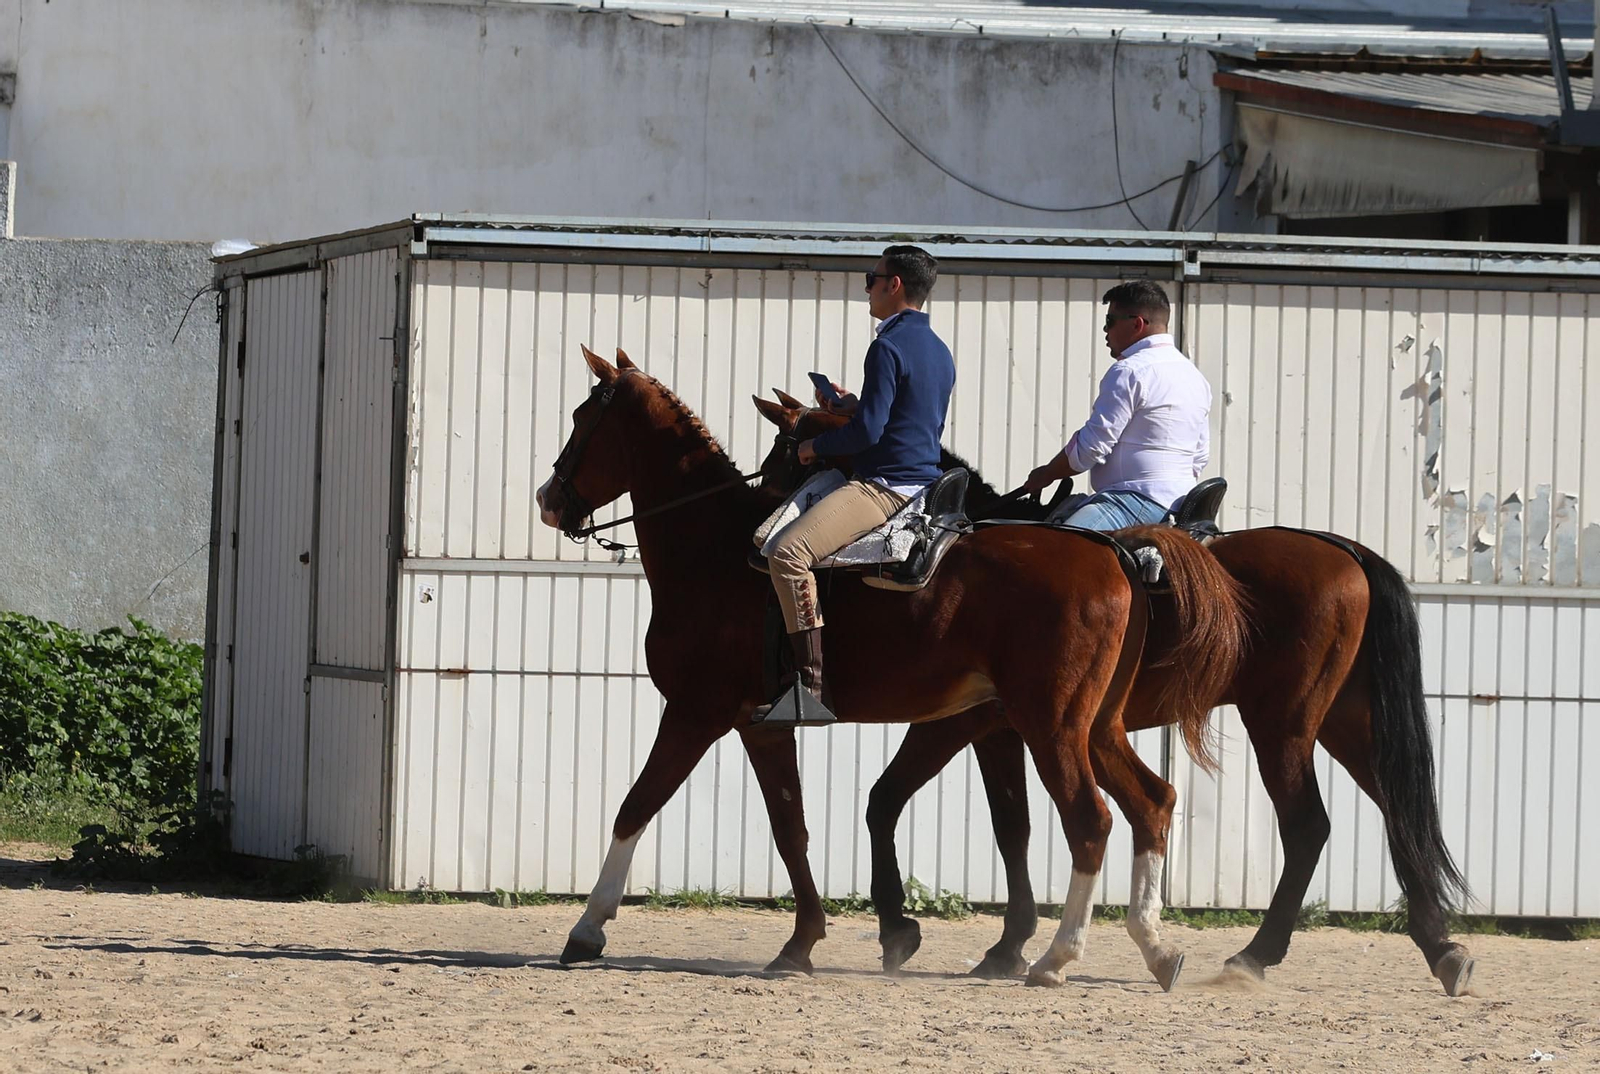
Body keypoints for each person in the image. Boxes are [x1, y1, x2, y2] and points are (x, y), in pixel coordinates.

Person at [757, 245, 956, 726]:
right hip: (925, 481)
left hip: (885, 487)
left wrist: (812, 449)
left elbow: (868, 434)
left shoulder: (886, 346)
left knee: (786, 552)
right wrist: (850, 403)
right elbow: (896, 415)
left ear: (895, 286)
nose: (867, 287)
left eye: (873, 278)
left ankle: (808, 687)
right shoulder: (938, 349)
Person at [1022, 280, 1211, 530]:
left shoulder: (1129, 371)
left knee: (1052, 552)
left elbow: (1090, 449)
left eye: (1110, 321)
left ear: (1137, 324)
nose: (1105, 330)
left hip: (1132, 502)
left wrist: (1045, 475)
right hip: (1184, 505)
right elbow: (1200, 456)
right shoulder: (1195, 377)